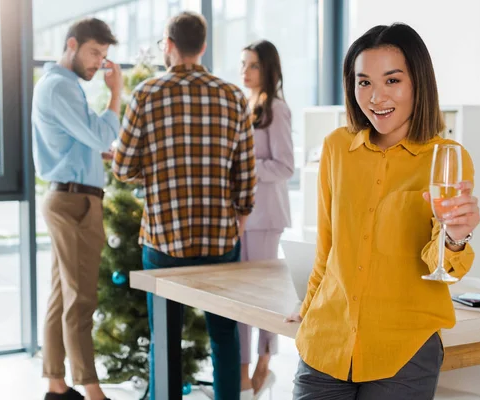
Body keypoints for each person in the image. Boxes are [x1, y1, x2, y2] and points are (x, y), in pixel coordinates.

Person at [286, 23, 480, 399]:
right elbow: (327, 248)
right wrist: (308, 308)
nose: (376, 97)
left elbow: (438, 265)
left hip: (403, 352)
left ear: (418, 83)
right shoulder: (336, 148)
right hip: (326, 342)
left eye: (392, 80)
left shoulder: (446, 160)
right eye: (364, 83)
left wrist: (456, 239)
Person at [112, 11, 256, 400]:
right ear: (203, 46)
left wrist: (155, 168)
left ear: (169, 45)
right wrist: (240, 214)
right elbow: (246, 171)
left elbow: (124, 166)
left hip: (164, 238)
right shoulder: (232, 96)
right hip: (219, 239)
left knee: (164, 337)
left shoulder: (147, 93)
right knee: (224, 334)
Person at [33, 17, 122, 400]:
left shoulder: (62, 86)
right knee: (80, 298)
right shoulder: (60, 87)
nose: (99, 63)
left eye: (103, 56)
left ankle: (56, 385)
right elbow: (101, 131)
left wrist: (92, 148)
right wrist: (115, 94)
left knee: (60, 295)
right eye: (93, 53)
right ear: (72, 44)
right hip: (75, 202)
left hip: (66, 196)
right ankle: (92, 390)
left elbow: (81, 139)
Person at [237, 40, 294, 399]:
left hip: (265, 217)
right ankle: (242, 374)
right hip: (242, 217)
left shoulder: (275, 108)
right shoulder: (246, 105)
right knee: (240, 299)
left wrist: (246, 167)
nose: (245, 71)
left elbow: (285, 166)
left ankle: (262, 365)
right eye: (242, 64)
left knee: (260, 300)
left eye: (253, 65)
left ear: (268, 69)